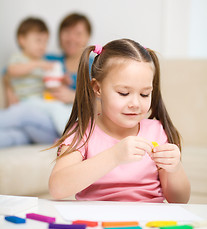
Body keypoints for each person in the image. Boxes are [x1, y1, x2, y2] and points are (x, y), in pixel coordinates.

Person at [49, 39, 191, 203]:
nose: (135, 104)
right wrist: (114, 156)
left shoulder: (157, 132)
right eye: (124, 93)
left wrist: (175, 168)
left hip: (148, 223)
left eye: (145, 94)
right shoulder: (82, 132)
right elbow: (57, 188)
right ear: (97, 89)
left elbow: (180, 201)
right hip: (98, 222)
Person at [0, 17, 59, 147]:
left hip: (38, 110)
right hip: (28, 116)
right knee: (13, 137)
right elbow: (11, 71)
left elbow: (49, 85)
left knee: (54, 108)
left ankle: (66, 133)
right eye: (38, 41)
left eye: (45, 42)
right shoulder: (20, 58)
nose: (43, 46)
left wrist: (60, 79)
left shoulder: (44, 62)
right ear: (22, 40)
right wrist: (37, 64)